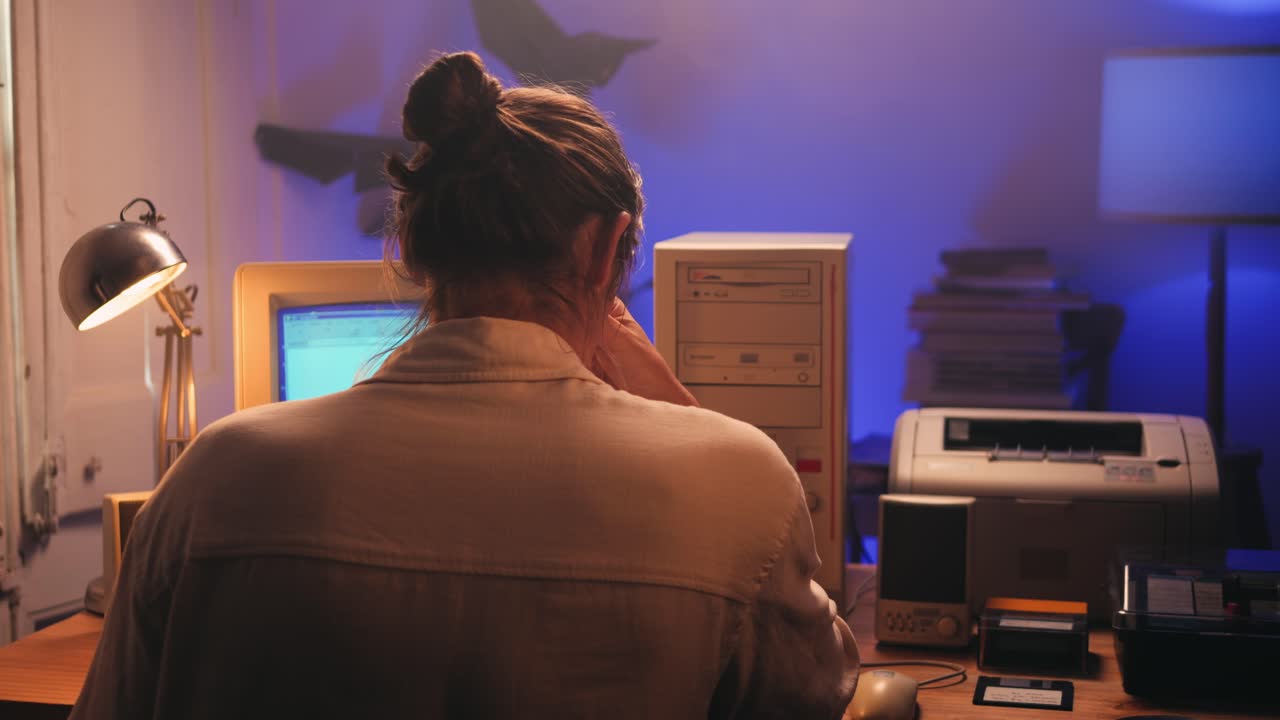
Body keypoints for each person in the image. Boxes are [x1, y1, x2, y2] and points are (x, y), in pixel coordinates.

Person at [71, 51, 858, 719]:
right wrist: (684, 418)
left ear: (408, 242)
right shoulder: (736, 481)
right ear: (607, 251)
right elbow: (820, 690)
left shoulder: (214, 474)